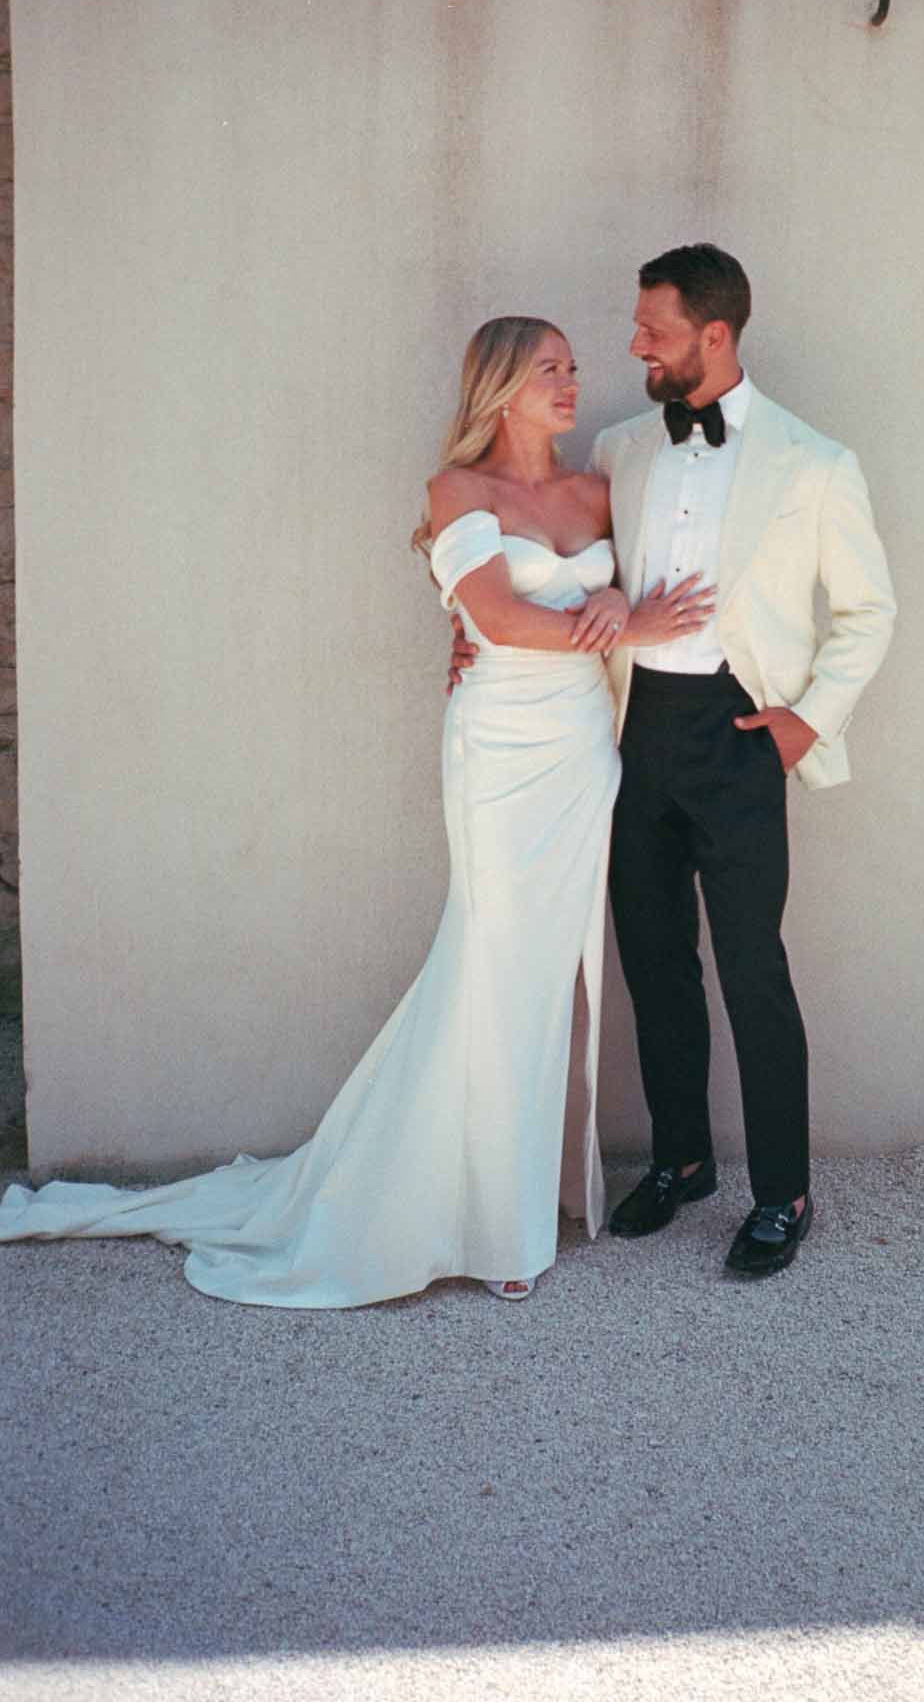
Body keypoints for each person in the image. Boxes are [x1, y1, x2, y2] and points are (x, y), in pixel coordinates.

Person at [0, 316, 712, 1306]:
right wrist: (623, 622)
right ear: (499, 387)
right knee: (493, 961)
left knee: (551, 973)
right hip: (499, 750)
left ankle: (518, 1191)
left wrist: (619, 612)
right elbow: (500, 618)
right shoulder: (457, 490)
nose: (569, 381)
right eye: (546, 368)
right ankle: (485, 1222)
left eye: (571, 366)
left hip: (582, 752)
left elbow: (613, 600)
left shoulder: (595, 491)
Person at [452, 247, 897, 1278]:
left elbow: (869, 612)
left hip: (742, 736)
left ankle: (783, 1192)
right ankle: (681, 1159)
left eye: (652, 329)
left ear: (714, 334)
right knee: (654, 962)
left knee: (752, 967)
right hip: (630, 732)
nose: (634, 345)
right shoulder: (618, 451)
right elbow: (534, 561)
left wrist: (806, 722)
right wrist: (469, 636)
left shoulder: (816, 463)